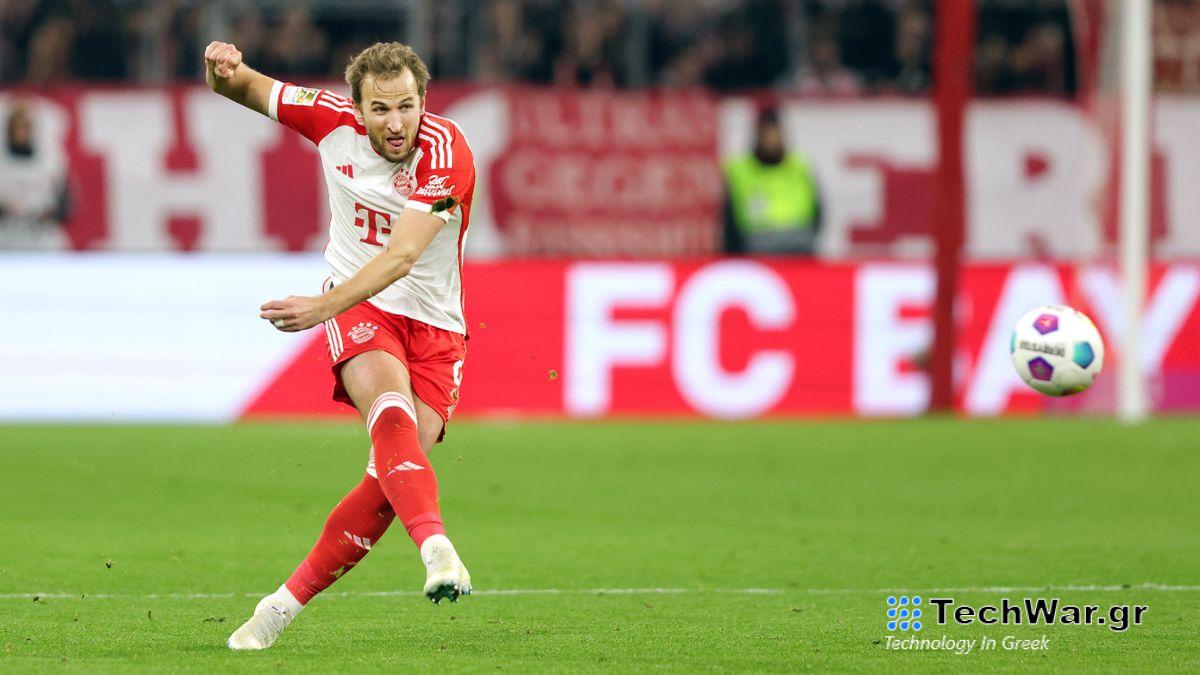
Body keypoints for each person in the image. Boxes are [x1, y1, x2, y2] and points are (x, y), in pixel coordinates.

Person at [204, 39, 475, 650]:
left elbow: (405, 255)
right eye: (380, 110)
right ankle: (438, 550)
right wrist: (220, 65)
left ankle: (279, 606)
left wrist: (318, 307)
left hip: (436, 328)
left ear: (423, 100)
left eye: (407, 106)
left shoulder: (447, 150)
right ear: (356, 107)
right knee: (392, 418)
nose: (396, 123)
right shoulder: (328, 119)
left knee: (388, 482)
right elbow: (240, 85)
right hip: (362, 306)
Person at [722, 107, 822, 255]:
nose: (771, 140)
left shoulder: (800, 166)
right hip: (757, 245)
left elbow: (818, 211)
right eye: (766, 135)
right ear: (757, 136)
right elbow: (729, 218)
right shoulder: (739, 170)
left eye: (775, 134)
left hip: (799, 244)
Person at [0, 101, 69, 250]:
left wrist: (50, 214)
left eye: (25, 127)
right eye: (16, 127)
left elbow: (67, 206)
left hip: (43, 240)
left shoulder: (51, 164)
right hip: (6, 240)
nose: (21, 132)